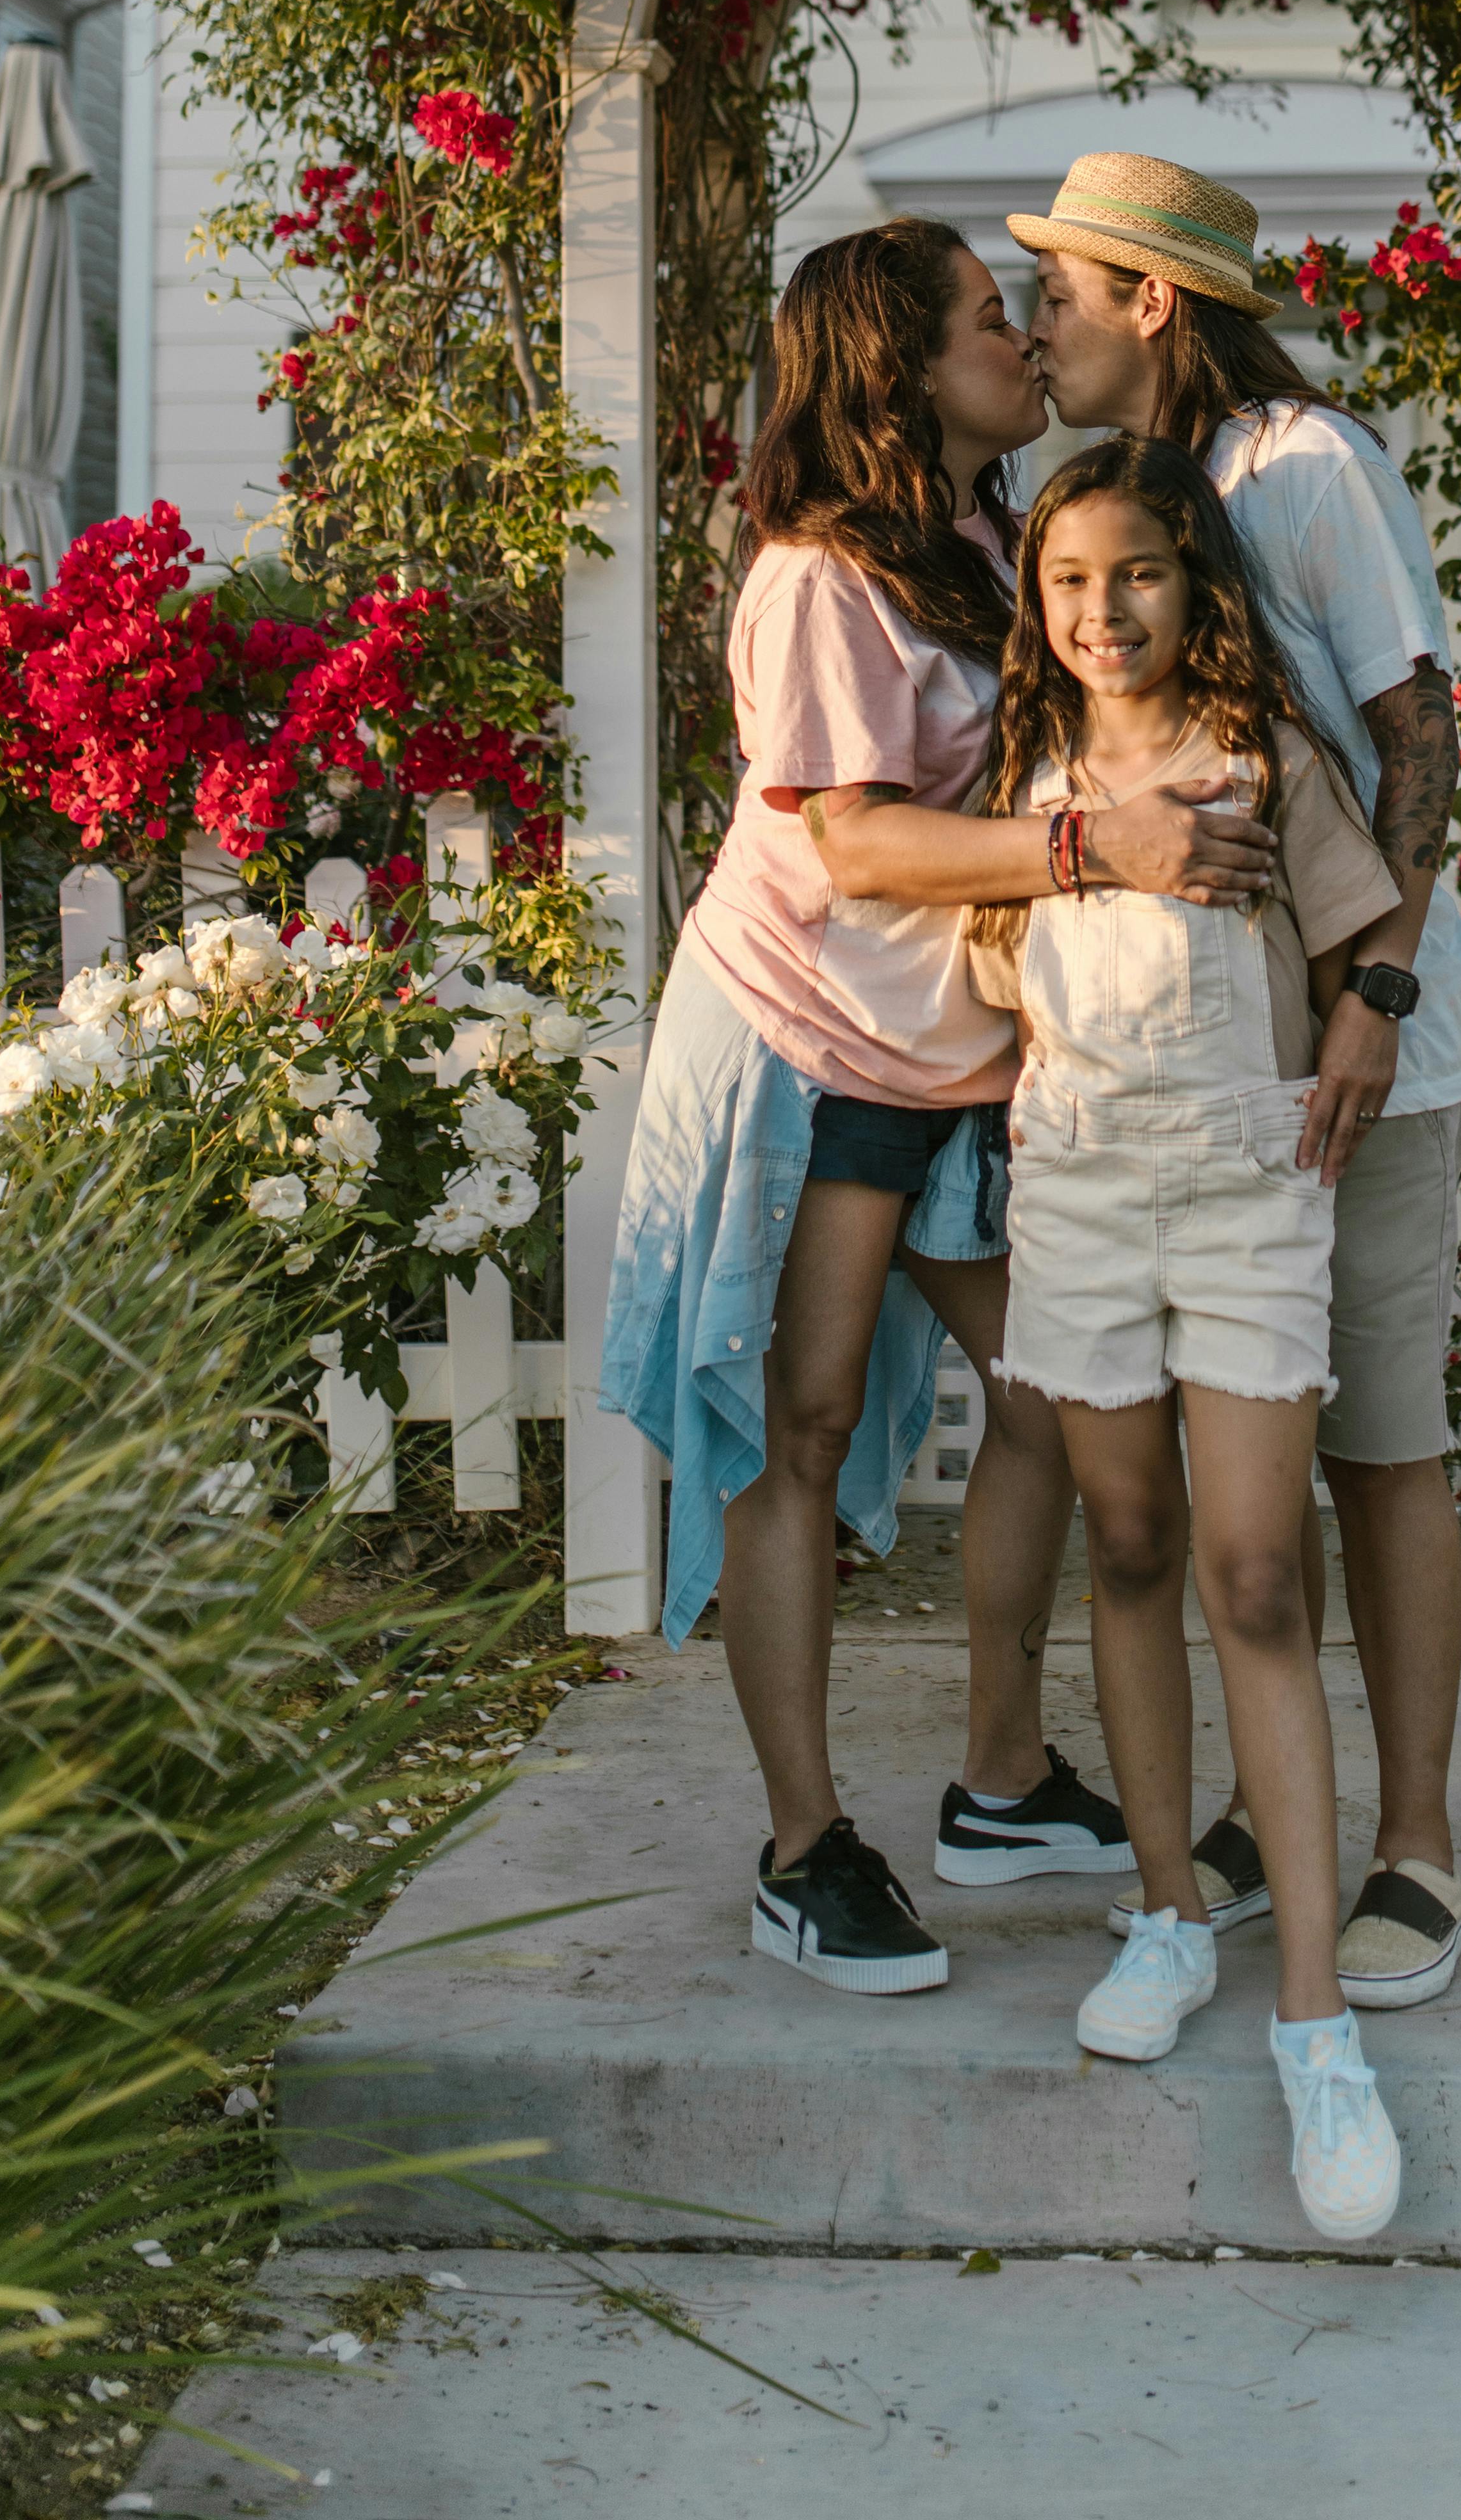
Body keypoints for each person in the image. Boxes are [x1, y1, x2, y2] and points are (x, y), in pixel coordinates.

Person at [597, 214, 1282, 2000]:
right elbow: (855, 841)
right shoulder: (812, 580)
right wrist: (1097, 846)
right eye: (992, 318)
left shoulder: (985, 536)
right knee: (796, 1432)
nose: (1022, 342)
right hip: (808, 1047)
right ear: (895, 365)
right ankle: (805, 1848)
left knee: (1053, 1396)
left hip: (959, 1051)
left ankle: (997, 1776)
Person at [1010, 150, 1461, 2012]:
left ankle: (1414, 1846)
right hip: (1202, 1083)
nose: (1033, 320)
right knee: (1228, 1478)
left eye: (1057, 291)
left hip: (1360, 1051)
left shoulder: (1296, 462)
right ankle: (1237, 1827)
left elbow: (1415, 734)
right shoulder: (1133, 504)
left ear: (1148, 299)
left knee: (1377, 1443)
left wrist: (1374, 989)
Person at [971, 434, 1405, 2240]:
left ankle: (1314, 2023)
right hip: (1076, 1196)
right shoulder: (1025, 774)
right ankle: (1165, 1905)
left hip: (1242, 1192)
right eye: (1068, 582)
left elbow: (1360, 927)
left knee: (1251, 1572)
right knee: (1127, 1541)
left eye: (1133, 572)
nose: (1102, 609)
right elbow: (985, 952)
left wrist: (1366, 1013)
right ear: (1037, 605)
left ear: (1188, 581)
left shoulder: (1266, 757)